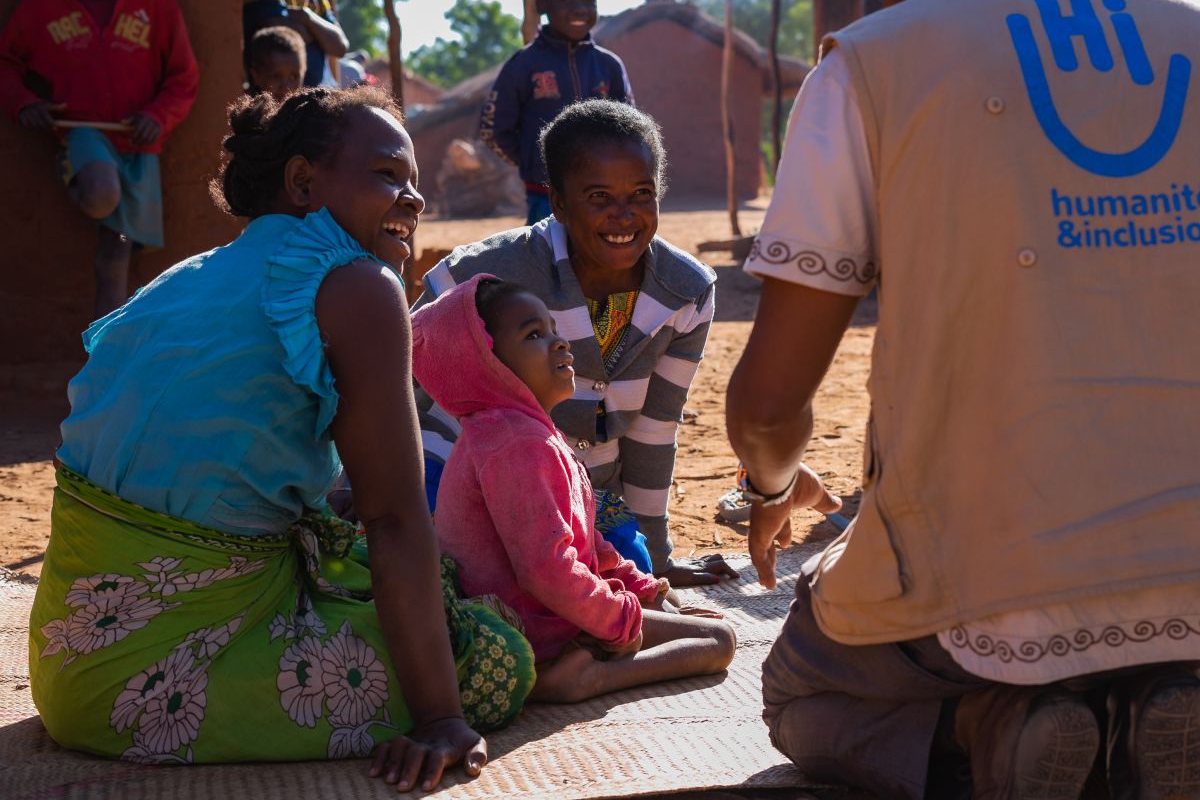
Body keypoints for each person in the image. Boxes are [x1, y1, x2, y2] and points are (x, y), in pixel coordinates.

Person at [727, 0, 1200, 798]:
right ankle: (1144, 697)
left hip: (990, 581)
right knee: (1125, 625)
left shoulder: (876, 66)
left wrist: (770, 493)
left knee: (803, 683)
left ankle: (993, 727)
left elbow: (769, 406)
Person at [28, 86, 533, 793]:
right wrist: (442, 715)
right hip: (142, 689)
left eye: (415, 180)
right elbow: (394, 518)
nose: (414, 199)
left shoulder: (188, 274)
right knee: (490, 651)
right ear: (302, 181)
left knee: (399, 574)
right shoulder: (357, 284)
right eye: (389, 173)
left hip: (67, 653)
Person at [417, 99, 736, 589]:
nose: (623, 214)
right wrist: (369, 492)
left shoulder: (685, 291)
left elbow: (655, 427)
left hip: (585, 492)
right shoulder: (485, 274)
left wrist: (658, 553)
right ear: (559, 203)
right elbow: (400, 380)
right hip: (467, 477)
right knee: (478, 584)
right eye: (599, 196)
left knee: (633, 579)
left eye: (641, 193)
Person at [413, 274, 736, 703]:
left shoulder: (524, 432)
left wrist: (643, 592)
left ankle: (588, 659)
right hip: (532, 630)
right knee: (718, 640)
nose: (560, 343)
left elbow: (585, 542)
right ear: (486, 364)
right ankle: (583, 679)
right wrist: (619, 621)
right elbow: (545, 569)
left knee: (685, 623)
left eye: (553, 329)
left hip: (546, 615)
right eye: (534, 335)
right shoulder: (517, 443)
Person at [0, 0, 199, 319]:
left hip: (137, 147)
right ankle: (76, 175)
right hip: (84, 137)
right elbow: (5, 61)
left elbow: (183, 77)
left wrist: (157, 117)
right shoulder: (47, 1)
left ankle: (105, 362)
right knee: (101, 193)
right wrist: (25, 105)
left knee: (116, 252)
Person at [480, 0, 634, 226]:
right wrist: (533, 162)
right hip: (545, 196)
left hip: (604, 194)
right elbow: (492, 130)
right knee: (547, 261)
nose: (579, 8)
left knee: (601, 261)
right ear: (542, 6)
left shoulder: (609, 66)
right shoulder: (524, 65)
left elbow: (630, 127)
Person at [246, 25, 306, 101]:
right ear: (256, 75)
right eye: (276, 76)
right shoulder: (250, 112)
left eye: (294, 77)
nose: (286, 87)